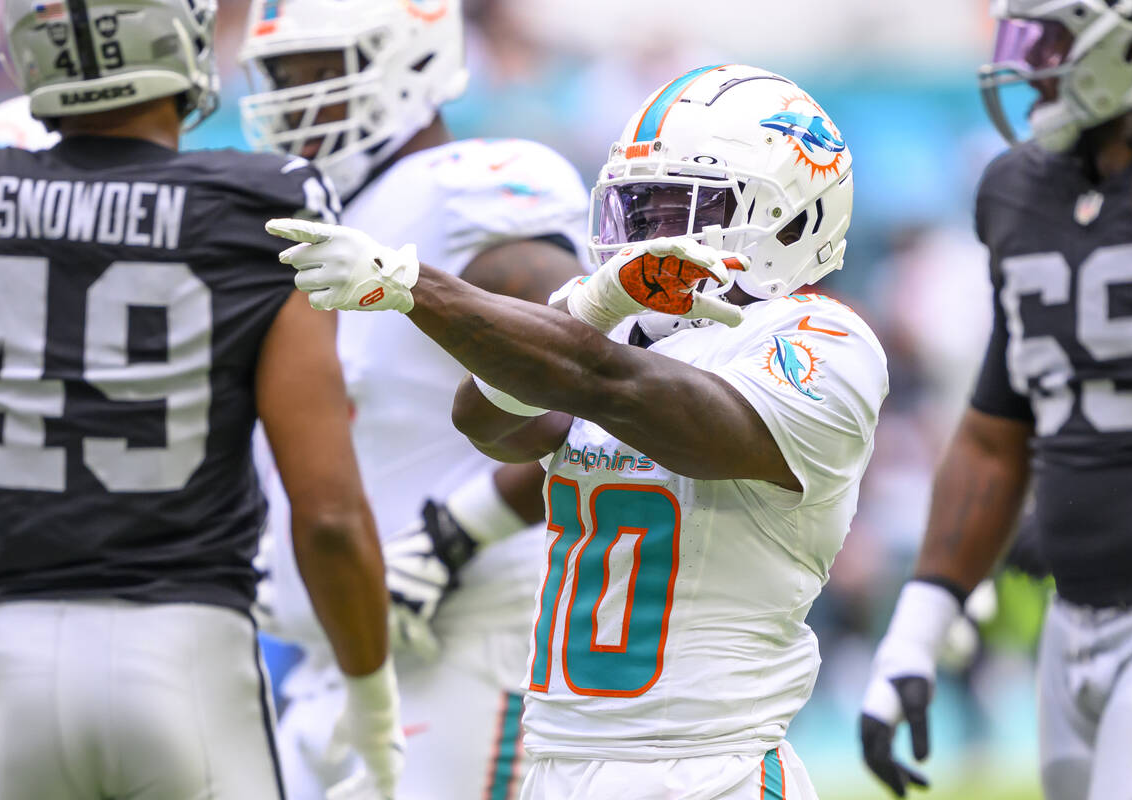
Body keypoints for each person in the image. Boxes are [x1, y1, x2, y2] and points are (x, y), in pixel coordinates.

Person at [267, 63, 888, 800]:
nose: (650, 239)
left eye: (679, 211)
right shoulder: (621, 326)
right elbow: (489, 423)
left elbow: (623, 391)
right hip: (562, 759)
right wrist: (592, 307)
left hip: (707, 768)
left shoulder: (823, 341)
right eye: (639, 212)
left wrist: (411, 287)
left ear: (790, 217)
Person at [0, 2, 402, 799]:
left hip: (3, 661)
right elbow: (327, 517)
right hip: (183, 656)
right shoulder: (263, 204)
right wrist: (373, 707)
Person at [236, 1, 589, 797]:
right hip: (338, 654)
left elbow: (598, 385)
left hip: (469, 640)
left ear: (411, 58)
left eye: (316, 68)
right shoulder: (328, 213)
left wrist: (458, 530)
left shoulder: (469, 193)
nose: (290, 95)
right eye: (279, 73)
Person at [859, 2, 1132, 799]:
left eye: (1053, 42)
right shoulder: (1019, 190)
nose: (1032, 63)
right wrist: (918, 629)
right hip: (1070, 620)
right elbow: (994, 429)